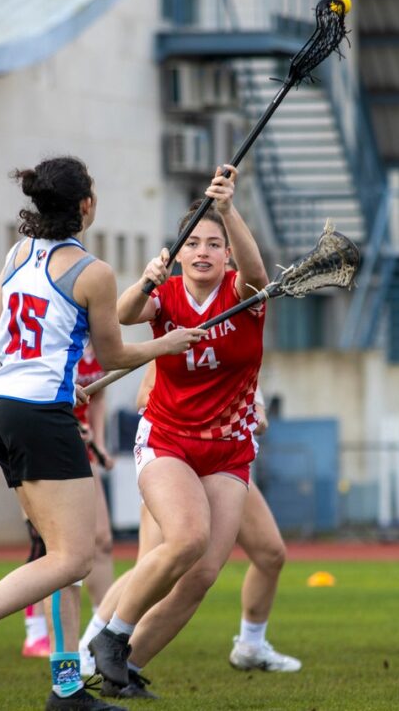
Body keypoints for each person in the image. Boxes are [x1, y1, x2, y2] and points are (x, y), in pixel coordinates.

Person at [0, 155, 203, 711]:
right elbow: (114, 354)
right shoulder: (93, 273)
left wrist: (59, 374)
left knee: (59, 556)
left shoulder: (17, 253)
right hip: (41, 416)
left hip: (1, 407)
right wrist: (166, 344)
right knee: (74, 559)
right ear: (85, 205)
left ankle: (67, 688)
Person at [87, 164, 269, 699]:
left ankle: (124, 670)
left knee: (203, 573)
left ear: (228, 254)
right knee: (186, 539)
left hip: (229, 451)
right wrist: (147, 278)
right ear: (178, 253)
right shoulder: (165, 296)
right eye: (193, 244)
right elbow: (122, 316)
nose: (203, 252)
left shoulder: (244, 294)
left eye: (214, 244)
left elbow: (258, 273)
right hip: (168, 439)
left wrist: (228, 209)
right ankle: (111, 637)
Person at [24, 345, 116, 665]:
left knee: (101, 539)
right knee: (49, 544)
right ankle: (36, 631)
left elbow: (98, 396)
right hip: (46, 442)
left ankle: (103, 628)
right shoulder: (59, 337)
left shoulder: (101, 341)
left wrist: (98, 443)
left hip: (81, 448)